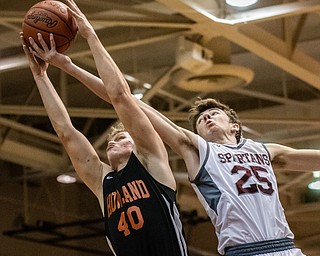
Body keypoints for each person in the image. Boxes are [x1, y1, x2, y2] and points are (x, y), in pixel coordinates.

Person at [24, 1, 320, 255]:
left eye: (214, 113)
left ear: (236, 125)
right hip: (242, 249)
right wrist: (62, 68)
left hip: (286, 245)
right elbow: (122, 100)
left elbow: (121, 98)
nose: (206, 119)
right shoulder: (198, 149)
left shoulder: (266, 151)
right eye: (200, 120)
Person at [20, 4, 188, 256]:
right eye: (112, 139)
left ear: (137, 145)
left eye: (121, 137)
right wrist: (40, 76)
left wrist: (90, 35)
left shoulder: (152, 162)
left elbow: (120, 96)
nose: (112, 142)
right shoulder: (102, 183)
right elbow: (65, 131)